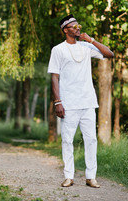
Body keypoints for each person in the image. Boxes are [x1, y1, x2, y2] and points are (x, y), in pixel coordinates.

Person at [47, 14, 114, 188]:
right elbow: (55, 77)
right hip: (68, 103)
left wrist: (91, 40)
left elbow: (109, 54)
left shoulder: (86, 46)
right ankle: (69, 176)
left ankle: (90, 177)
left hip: (88, 102)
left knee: (91, 139)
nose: (78, 28)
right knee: (67, 140)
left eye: (79, 25)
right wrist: (57, 102)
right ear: (65, 30)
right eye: (74, 26)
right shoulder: (58, 50)